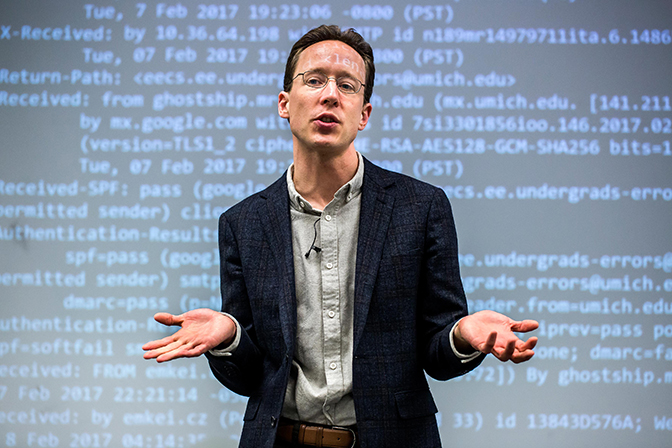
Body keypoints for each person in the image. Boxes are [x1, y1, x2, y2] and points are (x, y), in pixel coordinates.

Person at [143, 25, 538, 448]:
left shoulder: (420, 207)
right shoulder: (243, 222)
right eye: (314, 80)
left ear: (363, 114)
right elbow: (248, 378)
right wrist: (229, 335)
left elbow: (436, 353)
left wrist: (462, 334)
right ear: (284, 104)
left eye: (346, 85)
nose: (330, 94)